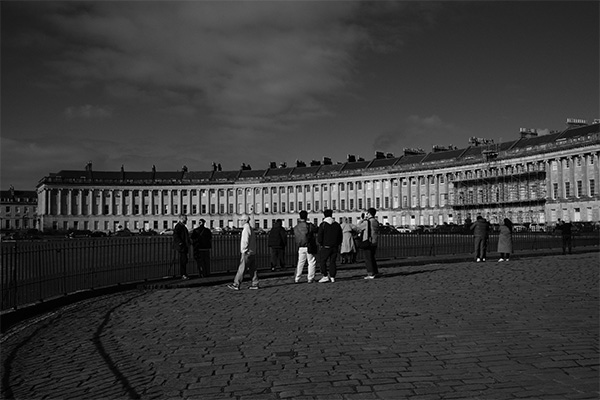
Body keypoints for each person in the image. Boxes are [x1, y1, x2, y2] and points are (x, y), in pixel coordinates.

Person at [228, 214, 259, 290]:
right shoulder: (251, 229)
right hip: (252, 252)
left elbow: (245, 241)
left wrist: (243, 250)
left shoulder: (246, 229)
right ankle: (255, 283)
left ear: (245, 221)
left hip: (247, 252)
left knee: (242, 268)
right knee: (253, 269)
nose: (240, 222)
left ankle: (236, 284)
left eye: (242, 220)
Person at [317, 209, 343, 283]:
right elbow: (340, 236)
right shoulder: (337, 224)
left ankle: (325, 275)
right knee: (333, 262)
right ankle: (332, 276)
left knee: (322, 261)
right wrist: (338, 243)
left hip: (326, 246)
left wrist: (321, 243)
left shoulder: (323, 225)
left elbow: (320, 237)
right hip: (335, 246)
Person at [293, 210, 318, 283]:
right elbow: (316, 229)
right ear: (306, 217)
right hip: (309, 246)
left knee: (300, 263)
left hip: (300, 247)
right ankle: (310, 278)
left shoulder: (296, 227)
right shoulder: (309, 226)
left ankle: (297, 278)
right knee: (311, 262)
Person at [357, 208, 380, 279]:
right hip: (374, 241)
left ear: (369, 213)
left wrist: (361, 219)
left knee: (368, 258)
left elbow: (358, 228)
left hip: (368, 241)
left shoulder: (367, 222)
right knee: (372, 258)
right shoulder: (376, 221)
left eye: (367, 213)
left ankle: (370, 273)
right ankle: (375, 272)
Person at [172, 214, 191, 279]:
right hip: (182, 246)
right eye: (185, 219)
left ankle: (184, 273)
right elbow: (175, 235)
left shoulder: (182, 226)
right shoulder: (178, 226)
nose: (186, 220)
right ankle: (183, 274)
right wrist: (180, 243)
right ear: (181, 219)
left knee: (185, 260)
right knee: (183, 260)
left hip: (184, 245)